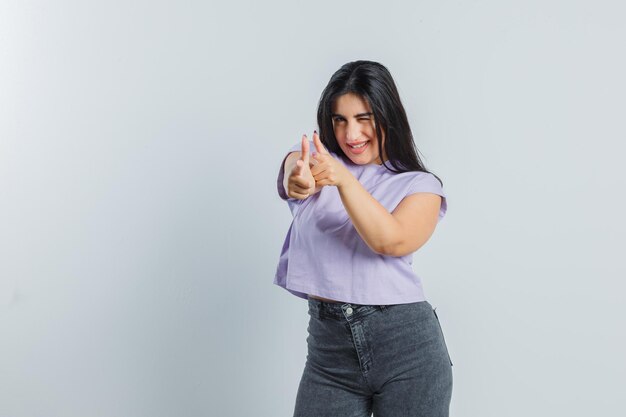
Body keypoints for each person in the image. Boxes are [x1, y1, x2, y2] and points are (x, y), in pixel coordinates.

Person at [274, 60, 453, 417]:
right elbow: (296, 168)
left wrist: (344, 180)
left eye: (363, 118)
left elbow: (391, 241)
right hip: (329, 355)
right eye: (340, 120)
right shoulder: (317, 159)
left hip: (407, 350)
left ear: (388, 115)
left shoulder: (420, 186)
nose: (351, 134)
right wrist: (299, 176)